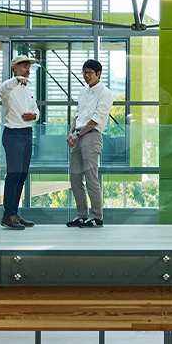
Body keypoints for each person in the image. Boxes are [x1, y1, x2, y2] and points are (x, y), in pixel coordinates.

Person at [66, 58, 113, 229]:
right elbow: (77, 115)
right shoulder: (82, 91)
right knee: (75, 178)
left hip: (91, 136)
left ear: (98, 73)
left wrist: (78, 134)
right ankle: (81, 216)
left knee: (91, 178)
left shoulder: (105, 93)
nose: (86, 76)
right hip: (78, 136)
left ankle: (97, 217)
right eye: (84, 72)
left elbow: (96, 119)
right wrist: (71, 133)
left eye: (90, 73)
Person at [0, 54, 39, 231]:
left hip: (27, 134)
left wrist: (34, 116)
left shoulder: (27, 89)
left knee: (22, 175)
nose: (28, 70)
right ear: (15, 68)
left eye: (29, 67)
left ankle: (14, 213)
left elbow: (36, 109)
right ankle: (7, 214)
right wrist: (16, 80)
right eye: (25, 67)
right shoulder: (9, 86)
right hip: (13, 134)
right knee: (14, 174)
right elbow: (0, 91)